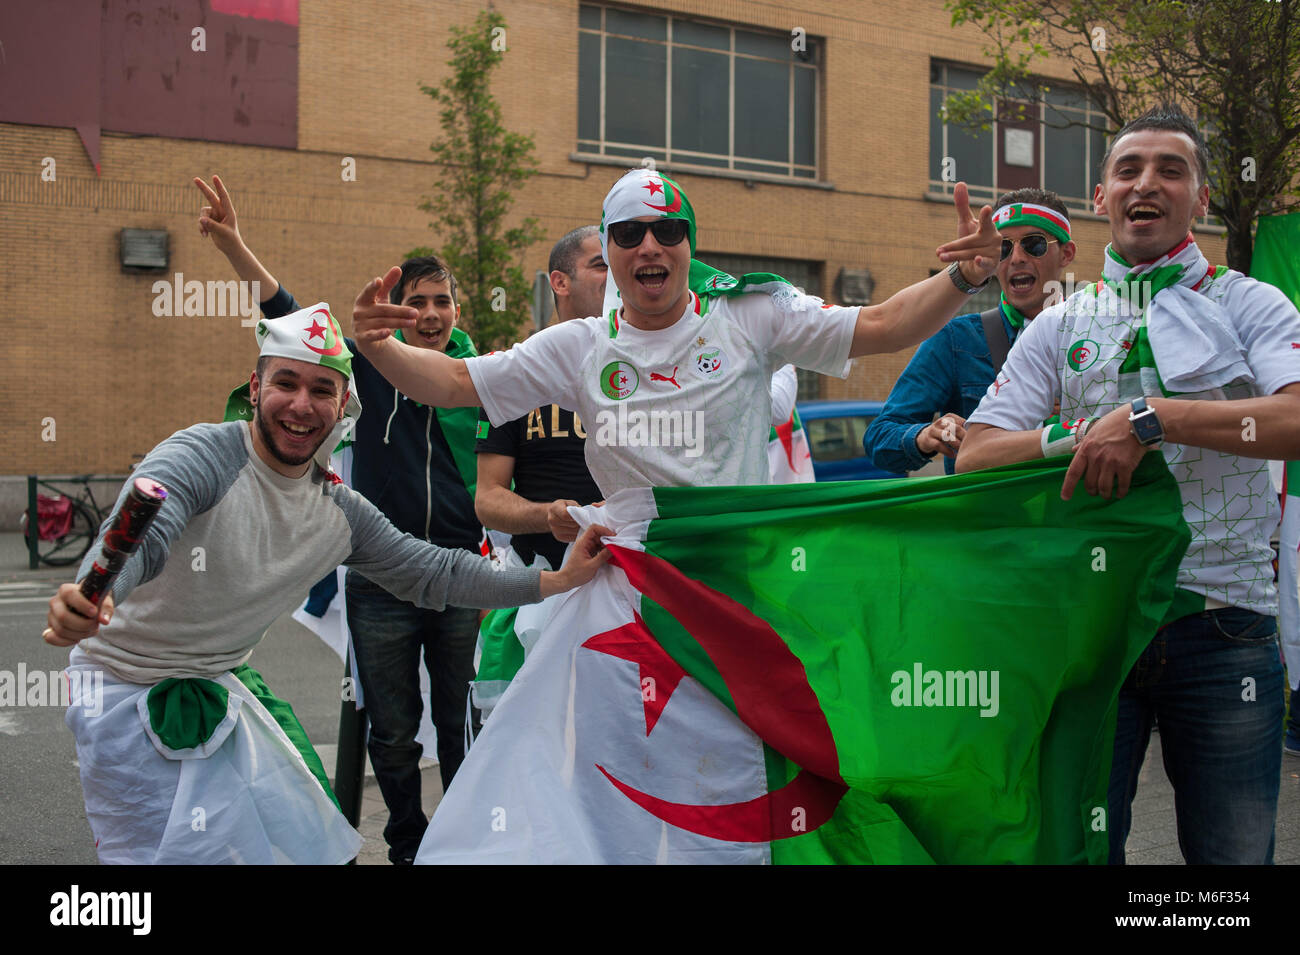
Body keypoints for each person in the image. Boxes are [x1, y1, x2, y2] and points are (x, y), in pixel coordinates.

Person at [43, 306, 611, 864]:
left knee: (309, 840)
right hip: (123, 691)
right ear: (255, 386)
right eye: (285, 382)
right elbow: (149, 525)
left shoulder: (339, 510)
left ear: (344, 405)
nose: (300, 404)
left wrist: (553, 581)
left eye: (321, 390)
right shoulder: (204, 453)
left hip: (222, 682)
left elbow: (434, 571)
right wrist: (102, 590)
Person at [957, 104, 1300, 864]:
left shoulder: (1250, 303)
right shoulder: (1059, 321)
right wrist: (1077, 436)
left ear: (1201, 199)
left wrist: (1153, 418)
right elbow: (975, 455)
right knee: (1080, 848)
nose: (1147, 184)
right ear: (1102, 195)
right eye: (1129, 170)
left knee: (1232, 868)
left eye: (1170, 170)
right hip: (1094, 626)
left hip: (1225, 624)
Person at [350, 168, 1002, 496]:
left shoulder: (753, 312)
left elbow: (885, 324)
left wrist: (963, 278)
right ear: (609, 251)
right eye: (629, 234)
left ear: (690, 244)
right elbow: (457, 381)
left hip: (736, 568)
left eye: (668, 231)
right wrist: (378, 346)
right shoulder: (581, 344)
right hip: (629, 572)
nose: (649, 246)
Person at [863, 188, 1076, 474]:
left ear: (1066, 254)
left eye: (1033, 244)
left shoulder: (1100, 332)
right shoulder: (956, 338)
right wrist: (926, 436)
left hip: (1078, 513)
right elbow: (880, 437)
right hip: (989, 517)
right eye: (1004, 247)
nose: (1016, 258)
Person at [473, 226, 607, 568]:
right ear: (560, 283)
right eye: (601, 265)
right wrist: (549, 515)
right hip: (542, 581)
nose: (616, 275)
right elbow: (488, 499)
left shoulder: (653, 369)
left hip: (638, 579)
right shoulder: (513, 374)